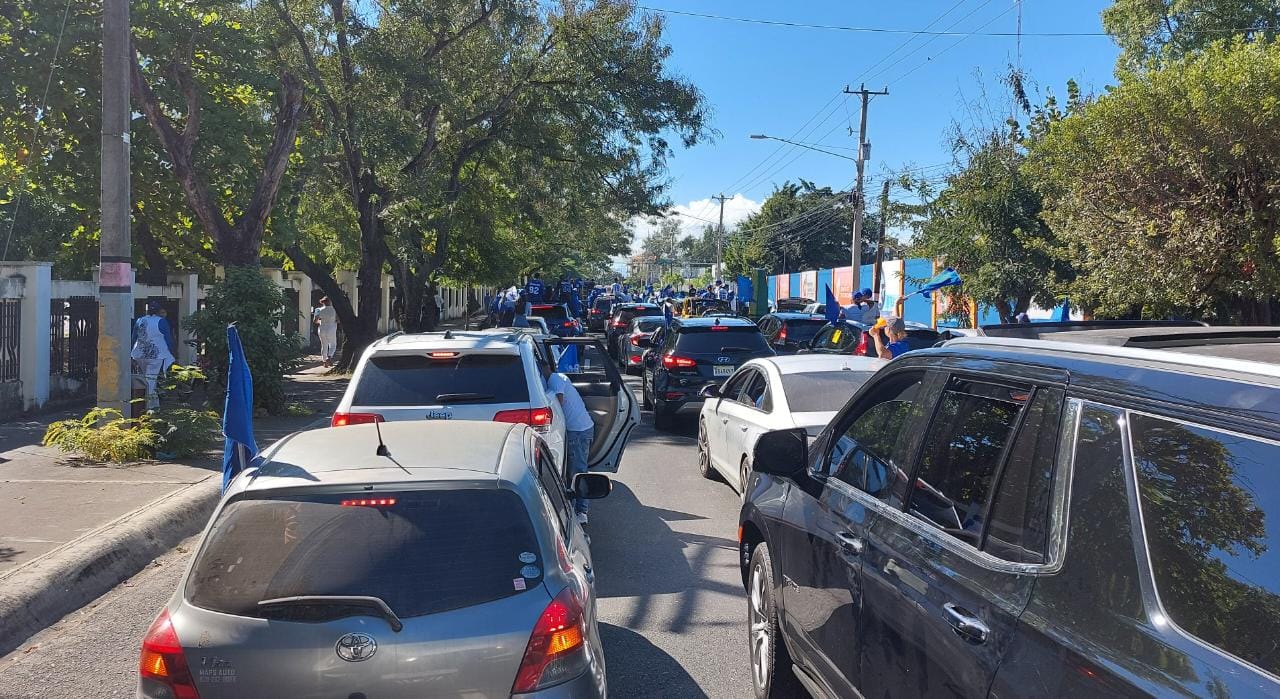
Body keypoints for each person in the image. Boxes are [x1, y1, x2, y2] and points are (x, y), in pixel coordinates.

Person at [541, 362, 595, 525]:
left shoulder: (555, 380)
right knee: (574, 470)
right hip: (580, 428)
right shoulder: (558, 378)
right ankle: (574, 507)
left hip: (578, 431)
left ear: (545, 369)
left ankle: (581, 512)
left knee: (577, 471)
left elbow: (559, 401)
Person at [131, 301, 176, 410]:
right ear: (158, 311)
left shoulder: (140, 320)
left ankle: (155, 404)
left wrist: (131, 352)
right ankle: (149, 407)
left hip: (139, 354)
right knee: (151, 380)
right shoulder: (161, 321)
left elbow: (133, 337)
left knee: (144, 380)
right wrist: (171, 351)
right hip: (156, 355)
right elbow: (168, 339)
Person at [313, 296, 339, 367]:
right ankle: (329, 357)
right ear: (330, 302)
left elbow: (315, 321)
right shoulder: (334, 310)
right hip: (331, 328)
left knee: (324, 345)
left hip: (322, 328)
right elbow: (338, 320)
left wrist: (321, 321)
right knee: (333, 344)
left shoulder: (318, 310)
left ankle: (324, 361)